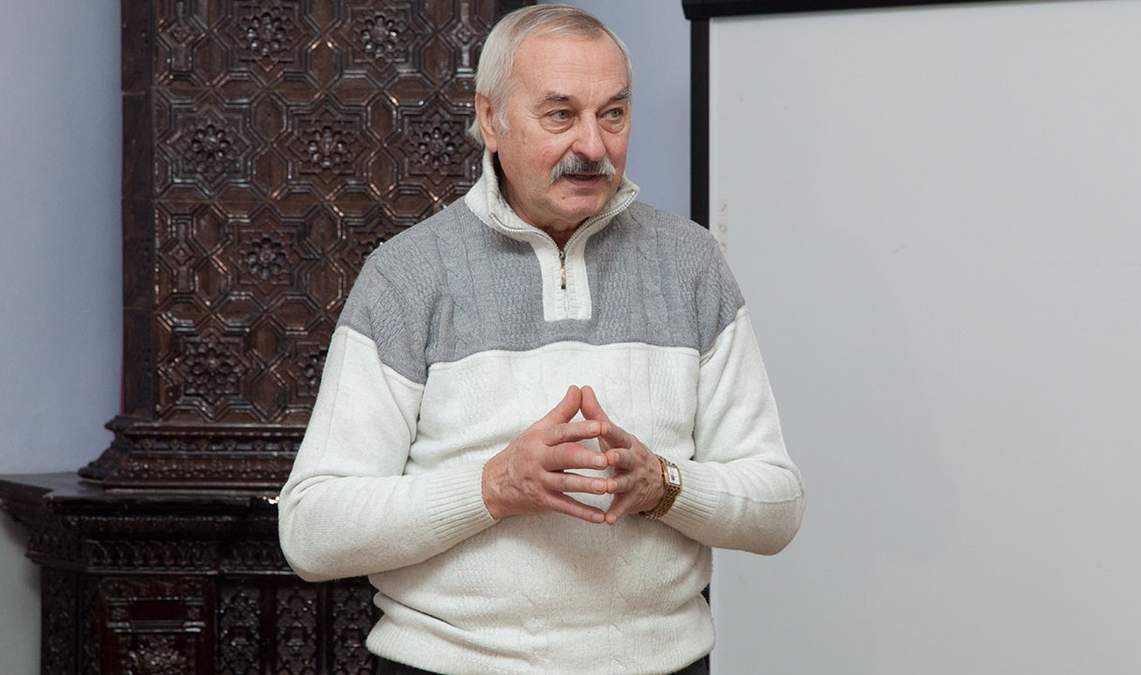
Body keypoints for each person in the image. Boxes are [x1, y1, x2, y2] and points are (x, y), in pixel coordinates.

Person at [277, 5, 805, 674]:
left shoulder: (691, 263)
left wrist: (663, 484)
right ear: (491, 118)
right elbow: (312, 531)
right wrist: (495, 486)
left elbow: (777, 509)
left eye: (613, 114)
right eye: (561, 115)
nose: (594, 146)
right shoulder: (406, 275)